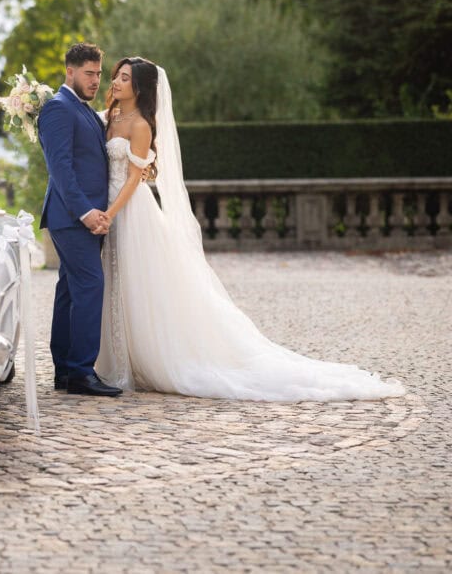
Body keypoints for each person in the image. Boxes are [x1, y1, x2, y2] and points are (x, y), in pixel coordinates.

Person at [93, 57, 405, 401]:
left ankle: (147, 356)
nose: (117, 82)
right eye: (117, 76)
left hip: (130, 211)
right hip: (104, 205)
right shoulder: (108, 117)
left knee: (138, 282)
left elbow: (136, 179)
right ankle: (114, 355)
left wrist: (110, 212)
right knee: (112, 280)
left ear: (140, 87)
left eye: (125, 78)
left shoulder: (140, 125)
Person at [37, 43, 122, 397]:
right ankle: (81, 371)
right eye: (89, 73)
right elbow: (61, 170)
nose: (95, 80)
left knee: (71, 290)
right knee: (90, 286)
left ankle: (67, 372)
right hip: (72, 217)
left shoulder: (84, 110)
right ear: (69, 71)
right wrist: (87, 213)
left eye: (99, 74)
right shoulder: (58, 108)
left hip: (80, 217)